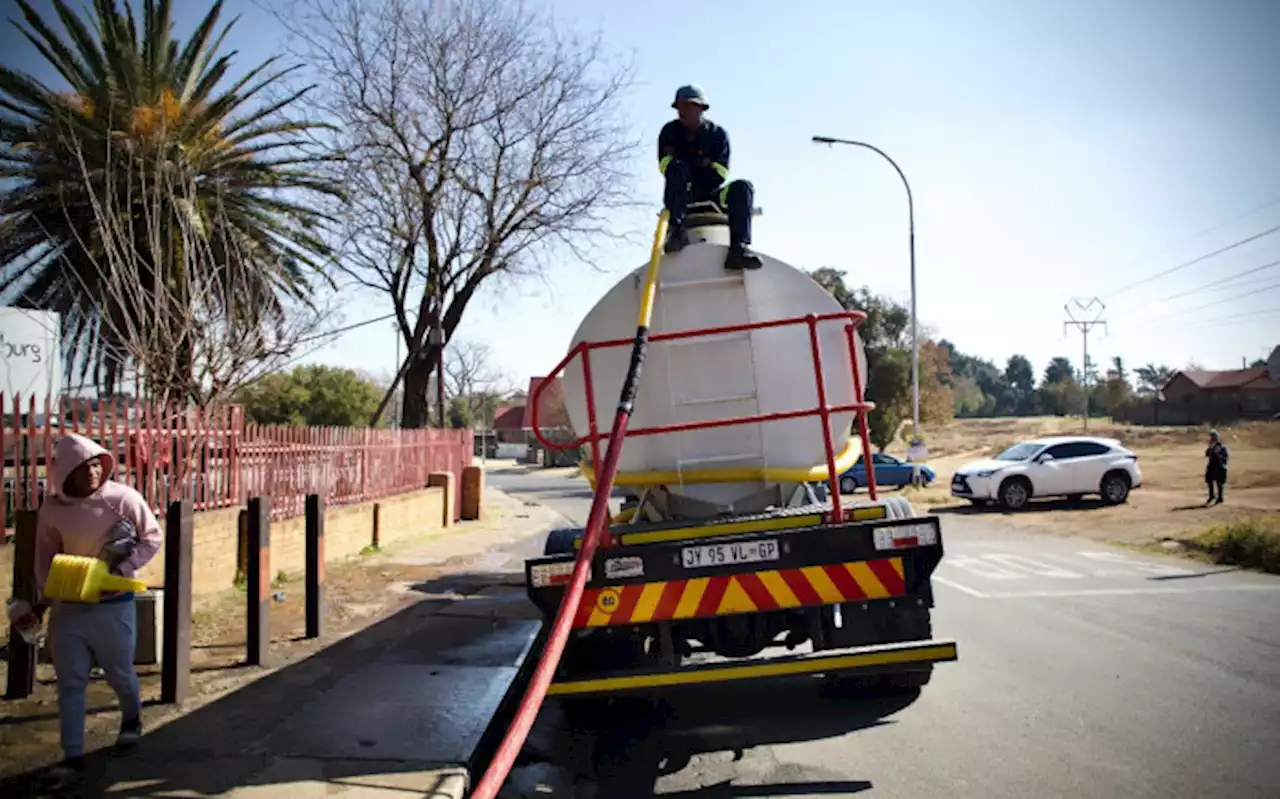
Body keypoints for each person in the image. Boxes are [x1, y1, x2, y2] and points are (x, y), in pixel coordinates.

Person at [33, 433, 163, 790]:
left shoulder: (122, 498)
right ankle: (72, 755)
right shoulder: (53, 509)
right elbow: (45, 557)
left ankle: (132, 720)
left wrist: (120, 571)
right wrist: (43, 599)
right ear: (65, 472)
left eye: (95, 465)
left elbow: (152, 536)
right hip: (70, 606)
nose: (91, 473)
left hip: (112, 604)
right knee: (70, 681)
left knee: (119, 671)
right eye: (83, 467)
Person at [657, 85, 763, 270]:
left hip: (713, 194)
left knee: (743, 188)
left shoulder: (717, 135)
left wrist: (690, 164)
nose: (682, 111)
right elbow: (666, 165)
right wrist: (700, 163)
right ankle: (677, 233)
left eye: (688, 106)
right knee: (677, 169)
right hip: (681, 196)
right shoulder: (669, 132)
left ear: (701, 108)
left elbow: (720, 173)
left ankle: (738, 249)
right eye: (680, 107)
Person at [1204, 429, 1229, 505]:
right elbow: (1207, 454)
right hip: (1212, 466)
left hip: (1219, 466)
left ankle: (1220, 497)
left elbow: (1224, 457)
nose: (1211, 438)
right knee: (1209, 480)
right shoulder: (1212, 446)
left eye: (1212, 437)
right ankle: (1211, 496)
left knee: (1219, 482)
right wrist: (1210, 447)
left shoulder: (1221, 447)